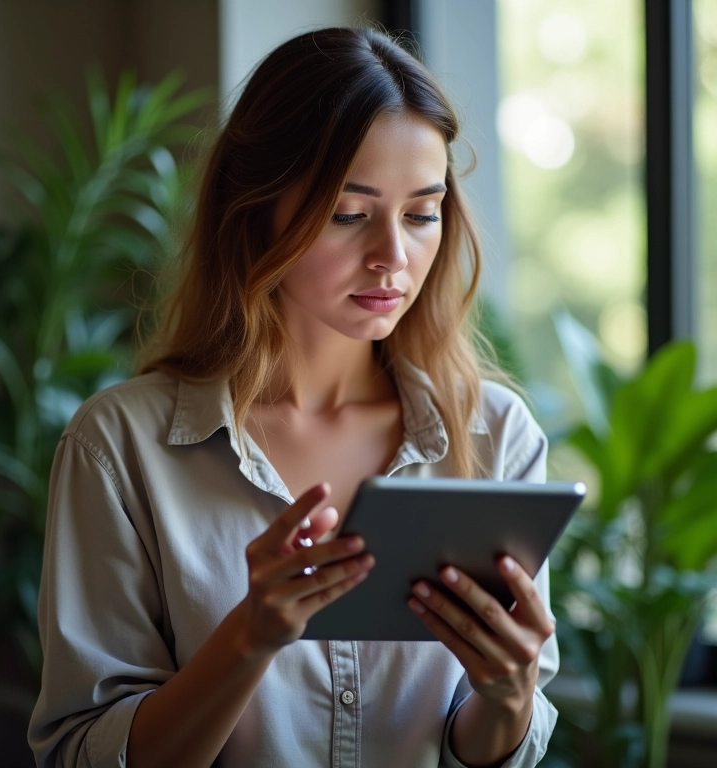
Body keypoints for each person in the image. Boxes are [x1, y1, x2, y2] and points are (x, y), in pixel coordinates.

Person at [28, 25, 559, 768]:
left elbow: (490, 747)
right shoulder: (119, 448)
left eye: (421, 213)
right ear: (256, 208)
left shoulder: (496, 437)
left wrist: (508, 697)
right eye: (349, 213)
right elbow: (82, 752)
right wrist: (249, 637)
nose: (392, 259)